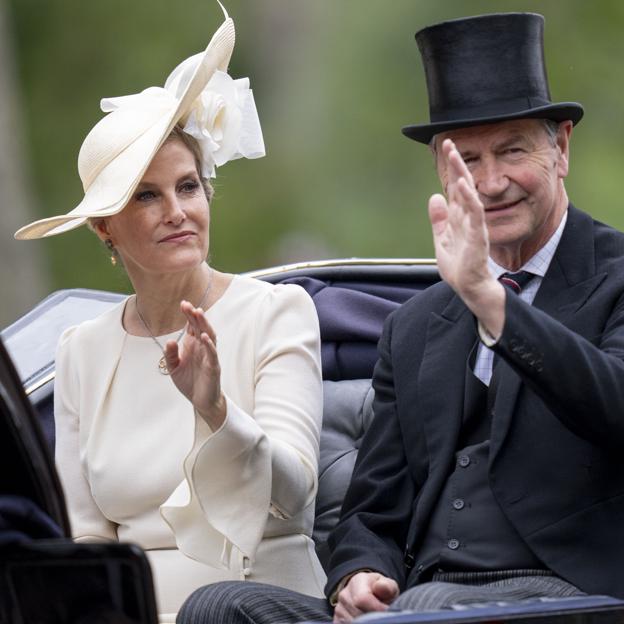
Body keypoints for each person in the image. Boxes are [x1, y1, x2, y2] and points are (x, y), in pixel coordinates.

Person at [176, 11, 624, 624]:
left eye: (513, 150)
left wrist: (490, 302)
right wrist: (359, 572)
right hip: (417, 602)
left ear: (561, 148)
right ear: (443, 171)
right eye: (467, 159)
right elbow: (372, 509)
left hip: (575, 595)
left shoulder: (617, 277)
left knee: (425, 608)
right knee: (220, 607)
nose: (491, 183)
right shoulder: (415, 326)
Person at [14, 7, 326, 623]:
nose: (177, 210)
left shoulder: (278, 313)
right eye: (148, 196)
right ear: (106, 228)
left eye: (188, 186)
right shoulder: (81, 349)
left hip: (254, 606)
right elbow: (87, 541)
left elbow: (295, 494)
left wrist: (215, 410)